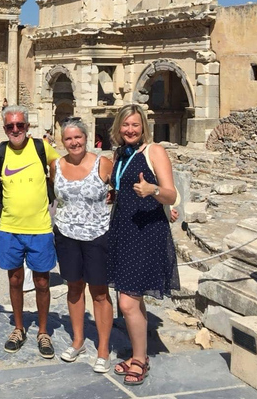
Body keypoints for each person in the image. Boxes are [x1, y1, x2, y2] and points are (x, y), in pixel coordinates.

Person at [0, 105, 60, 359]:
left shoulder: (40, 147)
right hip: (10, 228)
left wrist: (55, 185)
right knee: (14, 281)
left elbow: (58, 163)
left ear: (27, 126)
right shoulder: (0, 152)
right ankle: (18, 327)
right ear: (5, 129)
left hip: (40, 228)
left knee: (42, 282)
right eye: (10, 126)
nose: (15, 129)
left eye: (20, 125)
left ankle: (43, 331)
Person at [108, 104, 179, 386]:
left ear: (143, 127)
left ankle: (140, 359)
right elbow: (122, 189)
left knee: (126, 302)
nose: (130, 130)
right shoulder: (120, 154)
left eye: (135, 125)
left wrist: (153, 190)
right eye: (125, 125)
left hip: (147, 232)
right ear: (118, 127)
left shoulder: (155, 151)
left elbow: (171, 194)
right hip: (123, 229)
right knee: (132, 299)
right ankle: (140, 352)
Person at [52, 118, 114, 373]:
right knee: (74, 288)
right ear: (62, 141)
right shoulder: (55, 164)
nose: (74, 142)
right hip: (66, 234)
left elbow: (123, 190)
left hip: (98, 235)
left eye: (78, 137)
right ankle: (78, 341)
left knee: (99, 292)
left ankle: (103, 348)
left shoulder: (103, 163)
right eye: (68, 138)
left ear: (86, 138)